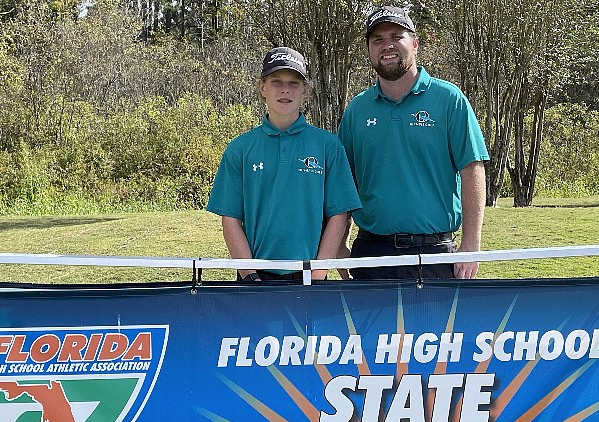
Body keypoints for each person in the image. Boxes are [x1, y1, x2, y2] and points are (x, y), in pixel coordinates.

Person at [337, 6, 490, 280]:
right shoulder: (357, 110)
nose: (387, 46)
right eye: (378, 40)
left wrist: (471, 245)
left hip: (434, 254)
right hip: (370, 253)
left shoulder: (449, 100)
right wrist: (339, 245)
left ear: (415, 43)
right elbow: (344, 184)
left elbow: (472, 170)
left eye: (397, 36)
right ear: (369, 50)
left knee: (438, 325)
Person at [207, 47, 361, 282]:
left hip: (311, 277)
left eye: (294, 83)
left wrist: (319, 272)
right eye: (276, 81)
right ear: (262, 87)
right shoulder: (240, 148)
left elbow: (338, 215)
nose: (285, 89)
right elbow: (230, 218)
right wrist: (249, 274)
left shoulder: (328, 146)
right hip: (255, 277)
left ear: (305, 91)